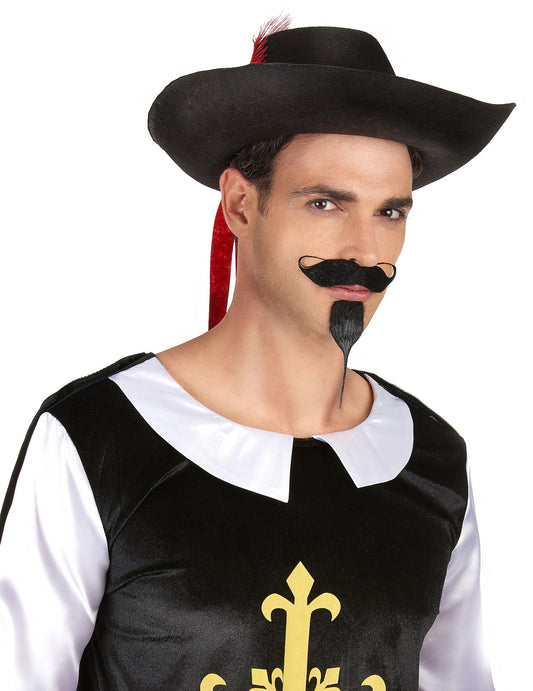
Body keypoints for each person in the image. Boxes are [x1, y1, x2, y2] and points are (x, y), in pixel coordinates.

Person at [0, 20, 514, 690]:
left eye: (389, 213)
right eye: (325, 203)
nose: (365, 251)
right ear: (241, 204)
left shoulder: (433, 462)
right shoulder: (100, 441)